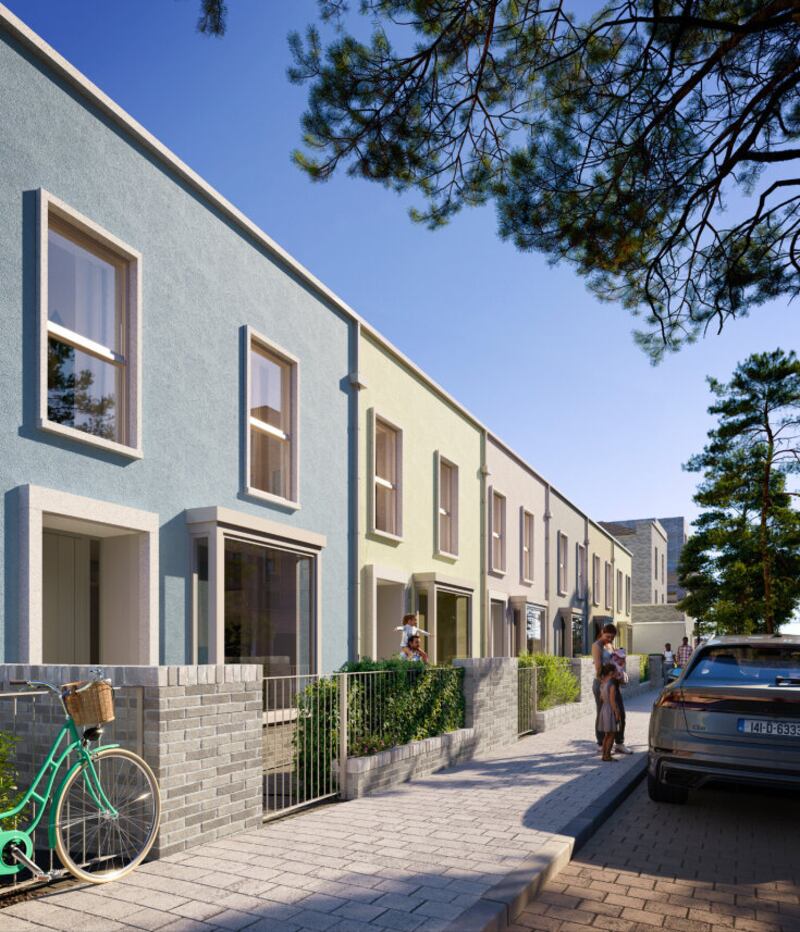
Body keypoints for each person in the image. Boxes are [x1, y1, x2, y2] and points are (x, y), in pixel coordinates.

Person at [591, 624, 632, 755]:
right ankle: (601, 743)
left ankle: (619, 743)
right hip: (601, 685)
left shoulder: (610, 645)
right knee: (602, 714)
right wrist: (605, 685)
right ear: (602, 632)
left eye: (612, 637)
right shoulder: (596, 645)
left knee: (620, 712)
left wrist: (620, 667)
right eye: (608, 636)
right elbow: (598, 669)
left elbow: (615, 662)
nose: (609, 639)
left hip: (613, 684)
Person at [598, 663, 622, 762]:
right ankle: (607, 756)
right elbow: (612, 701)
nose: (617, 672)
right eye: (616, 671)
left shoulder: (603, 682)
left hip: (604, 708)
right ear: (611, 673)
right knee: (611, 734)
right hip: (610, 709)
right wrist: (617, 713)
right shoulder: (612, 684)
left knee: (607, 734)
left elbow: (601, 698)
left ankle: (604, 755)